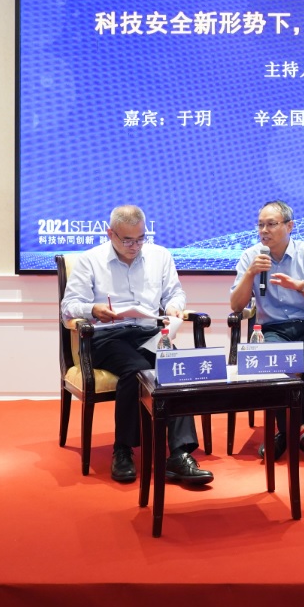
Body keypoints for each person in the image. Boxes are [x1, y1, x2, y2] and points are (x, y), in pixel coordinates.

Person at [60, 205, 212, 486]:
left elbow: (175, 293)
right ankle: (123, 449)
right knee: (137, 370)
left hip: (147, 332)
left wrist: (174, 307)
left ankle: (179, 454)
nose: (135, 246)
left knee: (174, 367)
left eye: (141, 239)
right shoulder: (90, 260)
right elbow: (68, 307)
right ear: (110, 234)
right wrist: (93, 309)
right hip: (106, 336)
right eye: (127, 240)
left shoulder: (160, 256)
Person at [230, 200, 304, 464]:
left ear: (289, 226)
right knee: (274, 367)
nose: (264, 231)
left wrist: (299, 285)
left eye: (271, 224)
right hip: (273, 330)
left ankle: (286, 432)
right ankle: (302, 434)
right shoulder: (251, 256)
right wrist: (250, 273)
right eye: (260, 225)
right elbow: (236, 306)